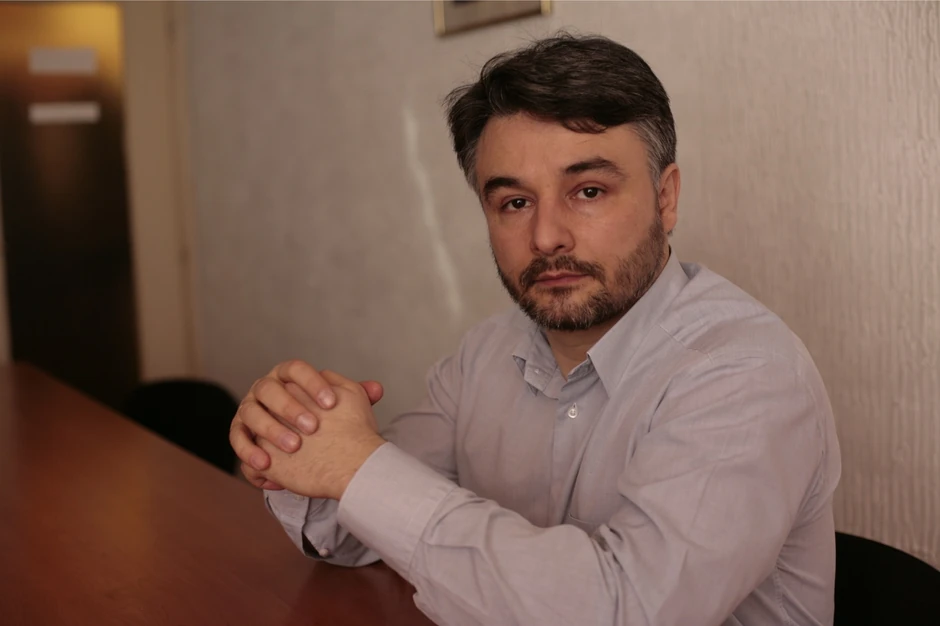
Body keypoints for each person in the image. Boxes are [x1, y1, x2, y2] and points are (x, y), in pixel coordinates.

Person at [228, 34, 841, 626]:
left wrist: (359, 467)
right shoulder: (485, 355)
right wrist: (297, 438)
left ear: (666, 197)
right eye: (515, 203)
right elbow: (355, 531)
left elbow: (621, 612)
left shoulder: (745, 373)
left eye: (588, 191)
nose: (547, 237)